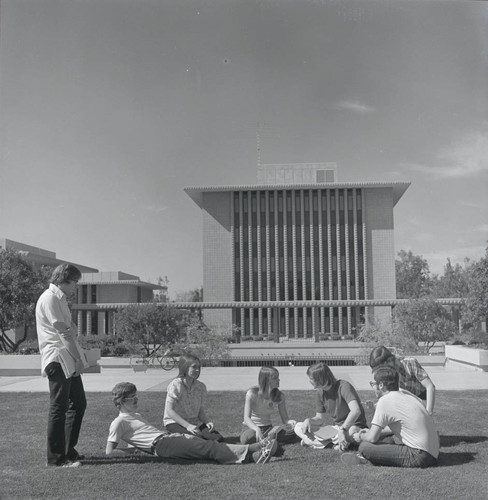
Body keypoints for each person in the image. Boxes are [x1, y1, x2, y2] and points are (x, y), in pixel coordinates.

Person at [107, 382, 278, 464]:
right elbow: (109, 452)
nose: (135, 400)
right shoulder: (119, 422)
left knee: (208, 446)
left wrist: (136, 447)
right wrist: (135, 450)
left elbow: (140, 437)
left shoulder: (135, 415)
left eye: (136, 396)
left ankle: (255, 457)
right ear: (120, 401)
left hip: (169, 439)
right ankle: (255, 448)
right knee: (209, 448)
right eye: (131, 398)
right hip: (163, 445)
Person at [35, 264, 88, 468]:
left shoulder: (60, 299)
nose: (75, 286)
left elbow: (69, 329)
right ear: (64, 280)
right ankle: (57, 459)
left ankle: (68, 451)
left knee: (79, 403)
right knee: (59, 408)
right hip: (57, 359)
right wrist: (78, 359)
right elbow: (63, 333)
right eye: (74, 282)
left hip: (65, 357)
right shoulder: (50, 298)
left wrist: (72, 327)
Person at [342, 366, 439, 468]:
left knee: (364, 447)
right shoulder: (405, 394)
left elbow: (372, 438)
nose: (373, 387)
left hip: (420, 456)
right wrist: (369, 431)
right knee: (387, 440)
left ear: (381, 385)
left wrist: (359, 436)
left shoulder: (384, 401)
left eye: (373, 384)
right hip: (433, 452)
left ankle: (366, 458)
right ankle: (371, 457)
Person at [297, 361, 367, 451]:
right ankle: (331, 445)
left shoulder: (343, 386)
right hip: (336, 430)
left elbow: (356, 411)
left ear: (320, 379)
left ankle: (314, 442)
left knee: (353, 431)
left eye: (311, 379)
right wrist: (309, 421)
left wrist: (342, 430)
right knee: (298, 426)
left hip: (351, 427)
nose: (309, 381)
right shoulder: (320, 392)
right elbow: (320, 418)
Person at [163, 353, 224, 441]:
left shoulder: (200, 387)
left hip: (194, 422)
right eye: (194, 367)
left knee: (218, 439)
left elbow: (199, 409)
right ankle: (174, 436)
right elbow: (169, 411)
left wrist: (207, 421)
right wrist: (187, 426)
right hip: (175, 422)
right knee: (195, 440)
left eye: (198, 367)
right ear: (185, 367)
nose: (197, 370)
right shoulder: (176, 385)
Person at [369, 346, 436, 415]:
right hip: (403, 406)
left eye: (382, 368)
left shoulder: (410, 363)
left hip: (420, 402)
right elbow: (389, 397)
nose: (381, 372)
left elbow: (430, 386)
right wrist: (375, 404)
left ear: (389, 361)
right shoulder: (387, 374)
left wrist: (429, 412)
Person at [240, 366, 298, 445]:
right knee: (247, 439)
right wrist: (257, 429)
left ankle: (266, 439)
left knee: (295, 430)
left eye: (278, 377)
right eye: (275, 378)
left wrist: (290, 422)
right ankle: (270, 439)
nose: (278, 380)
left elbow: (285, 419)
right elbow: (246, 418)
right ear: (265, 380)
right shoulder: (252, 394)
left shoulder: (279, 396)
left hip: (268, 428)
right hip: (251, 428)